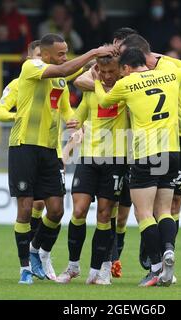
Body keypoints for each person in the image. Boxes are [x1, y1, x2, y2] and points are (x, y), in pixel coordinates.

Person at [7, 34, 115, 285]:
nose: (65, 57)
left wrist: (71, 119)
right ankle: (25, 268)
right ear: (44, 55)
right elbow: (67, 68)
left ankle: (36, 250)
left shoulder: (59, 81)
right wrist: (93, 52)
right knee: (25, 208)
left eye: (66, 52)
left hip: (50, 150)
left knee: (55, 210)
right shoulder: (31, 66)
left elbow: (66, 98)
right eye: (60, 53)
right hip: (24, 146)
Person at [95, 48, 181, 287]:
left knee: (143, 213)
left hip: (146, 154)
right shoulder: (170, 73)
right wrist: (161, 57)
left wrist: (98, 81)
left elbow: (104, 101)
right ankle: (169, 249)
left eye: (121, 69)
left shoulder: (127, 83)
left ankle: (157, 267)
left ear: (127, 68)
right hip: (172, 152)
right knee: (164, 211)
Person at [56, 52, 129, 285]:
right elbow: (79, 120)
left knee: (105, 215)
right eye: (102, 72)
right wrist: (71, 129)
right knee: (78, 211)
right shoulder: (90, 94)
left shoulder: (127, 93)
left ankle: (101, 269)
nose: (107, 76)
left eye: (111, 72)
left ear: (120, 71)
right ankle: (73, 266)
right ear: (96, 70)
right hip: (88, 159)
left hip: (116, 159)